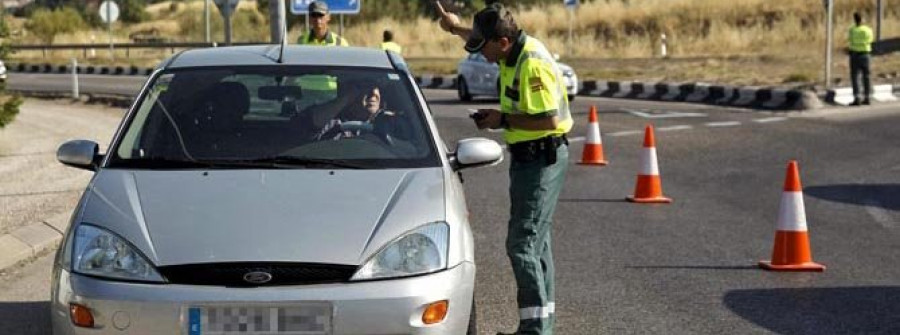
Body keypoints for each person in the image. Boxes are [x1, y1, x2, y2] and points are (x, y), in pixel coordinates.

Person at [436, 2, 573, 334]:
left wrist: (501, 119)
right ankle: (541, 325)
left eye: (484, 48)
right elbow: (480, 37)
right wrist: (456, 28)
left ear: (503, 43)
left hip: (541, 157)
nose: (481, 55)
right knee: (536, 242)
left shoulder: (532, 65)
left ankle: (534, 330)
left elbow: (549, 118)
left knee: (522, 244)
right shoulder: (509, 48)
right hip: (529, 155)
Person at [313, 83, 407, 143]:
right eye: (365, 87)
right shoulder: (330, 122)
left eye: (376, 87)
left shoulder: (391, 123)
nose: (373, 92)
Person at [849, 12, 874, 106]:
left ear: (854, 19)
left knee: (855, 76)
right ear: (862, 19)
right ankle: (867, 97)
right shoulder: (868, 30)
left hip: (855, 54)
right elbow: (871, 40)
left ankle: (857, 97)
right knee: (866, 76)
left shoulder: (852, 30)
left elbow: (850, 40)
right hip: (866, 54)